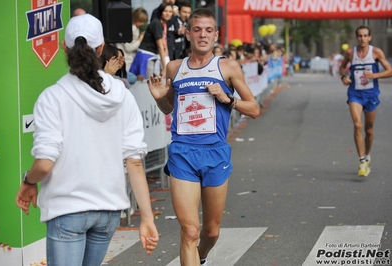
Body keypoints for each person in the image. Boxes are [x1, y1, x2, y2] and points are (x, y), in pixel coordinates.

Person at [15, 14, 159, 266]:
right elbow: (134, 162)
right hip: (109, 209)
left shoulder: (53, 97)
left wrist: (28, 181)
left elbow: (45, 163)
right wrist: (147, 218)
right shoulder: (122, 95)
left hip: (67, 209)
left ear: (65, 48)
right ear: (102, 48)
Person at [146, 8, 260, 266]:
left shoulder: (228, 67)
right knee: (190, 231)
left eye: (209, 30)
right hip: (182, 153)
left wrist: (227, 98)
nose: (203, 35)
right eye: (197, 29)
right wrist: (159, 98)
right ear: (187, 33)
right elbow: (169, 108)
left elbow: (254, 109)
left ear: (216, 35)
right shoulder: (174, 68)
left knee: (210, 232)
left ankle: (202, 257)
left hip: (215, 152)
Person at [339, 25, 392, 177]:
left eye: (365, 36)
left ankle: (367, 155)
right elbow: (342, 68)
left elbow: (390, 71)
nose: (362, 38)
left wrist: (374, 76)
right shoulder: (350, 52)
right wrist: (344, 77)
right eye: (360, 36)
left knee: (368, 129)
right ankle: (361, 160)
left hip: (371, 94)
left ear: (370, 37)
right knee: (357, 125)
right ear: (357, 38)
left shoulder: (376, 52)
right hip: (355, 93)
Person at [129, 2, 173, 80]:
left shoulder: (164, 25)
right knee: (144, 84)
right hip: (146, 56)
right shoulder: (156, 23)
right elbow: (160, 46)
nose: (168, 14)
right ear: (160, 12)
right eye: (165, 11)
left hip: (152, 56)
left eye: (170, 11)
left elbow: (164, 45)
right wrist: (164, 67)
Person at [115, 7, 148, 72]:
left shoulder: (132, 28)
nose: (142, 24)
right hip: (126, 59)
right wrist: (139, 40)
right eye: (140, 21)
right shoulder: (131, 29)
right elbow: (128, 48)